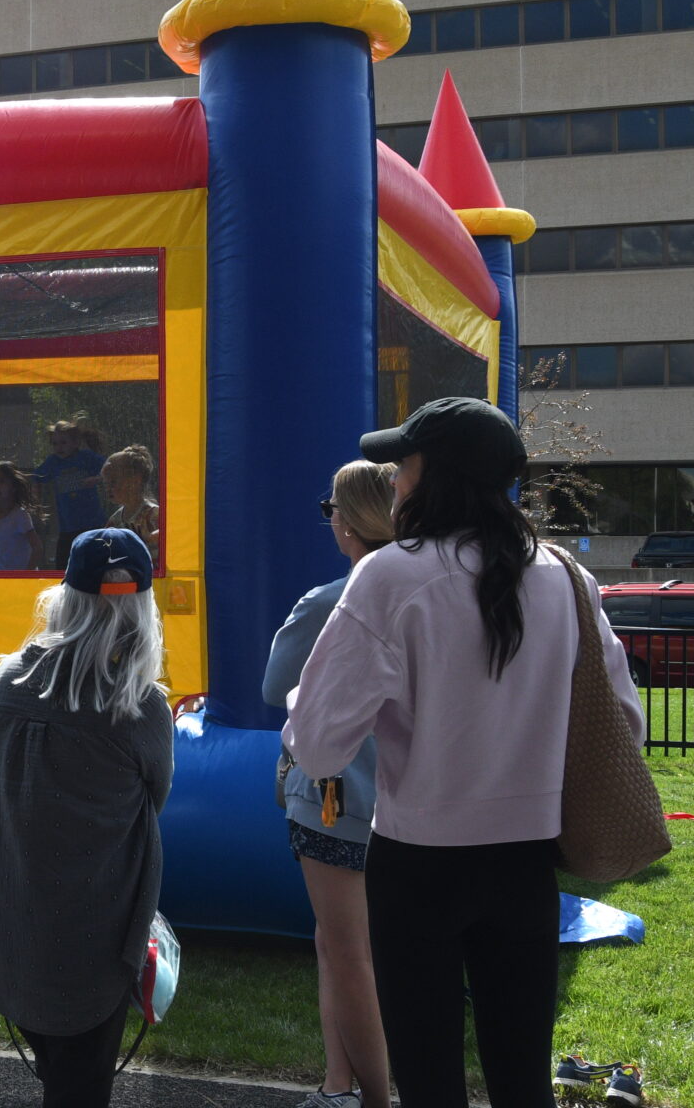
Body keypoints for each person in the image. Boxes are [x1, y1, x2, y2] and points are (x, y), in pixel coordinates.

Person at [286, 396, 643, 1108]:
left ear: (432, 476)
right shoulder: (564, 575)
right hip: (528, 859)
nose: (393, 481)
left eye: (402, 466)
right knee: (521, 1074)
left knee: (428, 1077)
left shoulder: (391, 575)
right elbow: (623, 726)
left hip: (419, 860)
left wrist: (305, 703)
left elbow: (318, 744)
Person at [0, 528, 172, 1108]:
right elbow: (156, 797)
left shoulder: (8, 682)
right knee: (81, 1085)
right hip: (91, 944)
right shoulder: (140, 706)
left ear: (65, 598)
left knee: (62, 1075)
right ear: (143, 604)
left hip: (11, 927)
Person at [262, 462, 395, 1108]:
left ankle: (370, 1093)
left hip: (334, 798)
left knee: (349, 955)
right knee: (342, 946)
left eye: (332, 510)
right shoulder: (434, 594)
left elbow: (272, 687)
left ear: (348, 524)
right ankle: (339, 1083)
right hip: (400, 804)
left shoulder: (329, 603)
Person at [30, 417, 107, 568]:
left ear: (75, 443)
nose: (59, 447)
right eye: (55, 443)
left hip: (92, 523)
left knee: (94, 564)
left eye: (63, 443)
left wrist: (97, 479)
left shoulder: (85, 457)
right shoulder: (53, 462)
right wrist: (36, 502)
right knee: (63, 565)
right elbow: (36, 478)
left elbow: (110, 467)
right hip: (68, 526)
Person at [101, 444, 160, 562]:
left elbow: (173, 533)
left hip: (154, 575)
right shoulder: (115, 520)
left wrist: (153, 537)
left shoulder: (152, 514)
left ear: (135, 480)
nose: (108, 488)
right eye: (106, 483)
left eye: (113, 482)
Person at [0, 461, 40, 571]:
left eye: (2, 481)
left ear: (13, 487)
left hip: (23, 579)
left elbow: (37, 547)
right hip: (3, 578)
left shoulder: (20, 515)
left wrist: (27, 575)